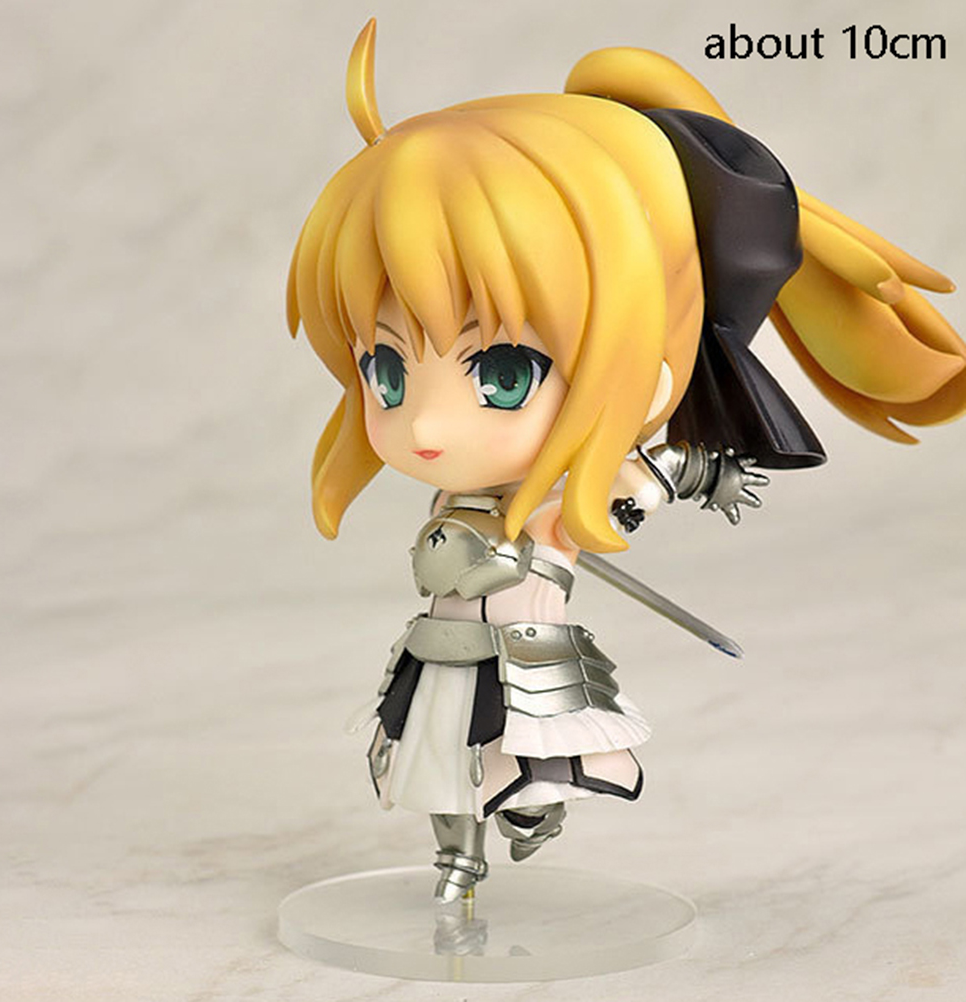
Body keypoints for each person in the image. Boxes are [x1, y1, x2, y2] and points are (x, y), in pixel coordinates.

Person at [286, 20, 964, 902]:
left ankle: (527, 817)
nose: (425, 424)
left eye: (501, 374)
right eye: (386, 370)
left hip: (527, 660)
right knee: (434, 762)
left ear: (646, 367)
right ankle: (459, 857)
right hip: (440, 653)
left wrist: (698, 472)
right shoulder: (461, 497)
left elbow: (639, 486)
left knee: (525, 766)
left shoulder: (570, 499)